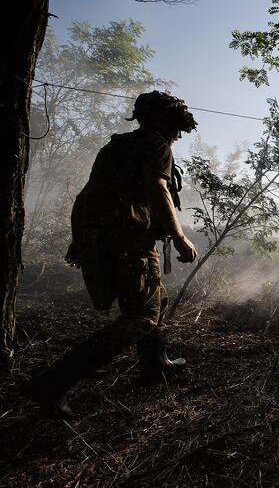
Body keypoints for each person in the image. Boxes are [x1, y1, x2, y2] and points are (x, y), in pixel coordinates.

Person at [21, 91, 198, 419]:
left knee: (157, 299)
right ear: (164, 123)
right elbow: (158, 189)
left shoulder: (115, 148)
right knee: (141, 318)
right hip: (132, 243)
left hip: (108, 238)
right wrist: (179, 236)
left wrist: (80, 239)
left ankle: (154, 363)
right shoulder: (156, 146)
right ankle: (53, 383)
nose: (178, 135)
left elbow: (85, 195)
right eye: (177, 128)